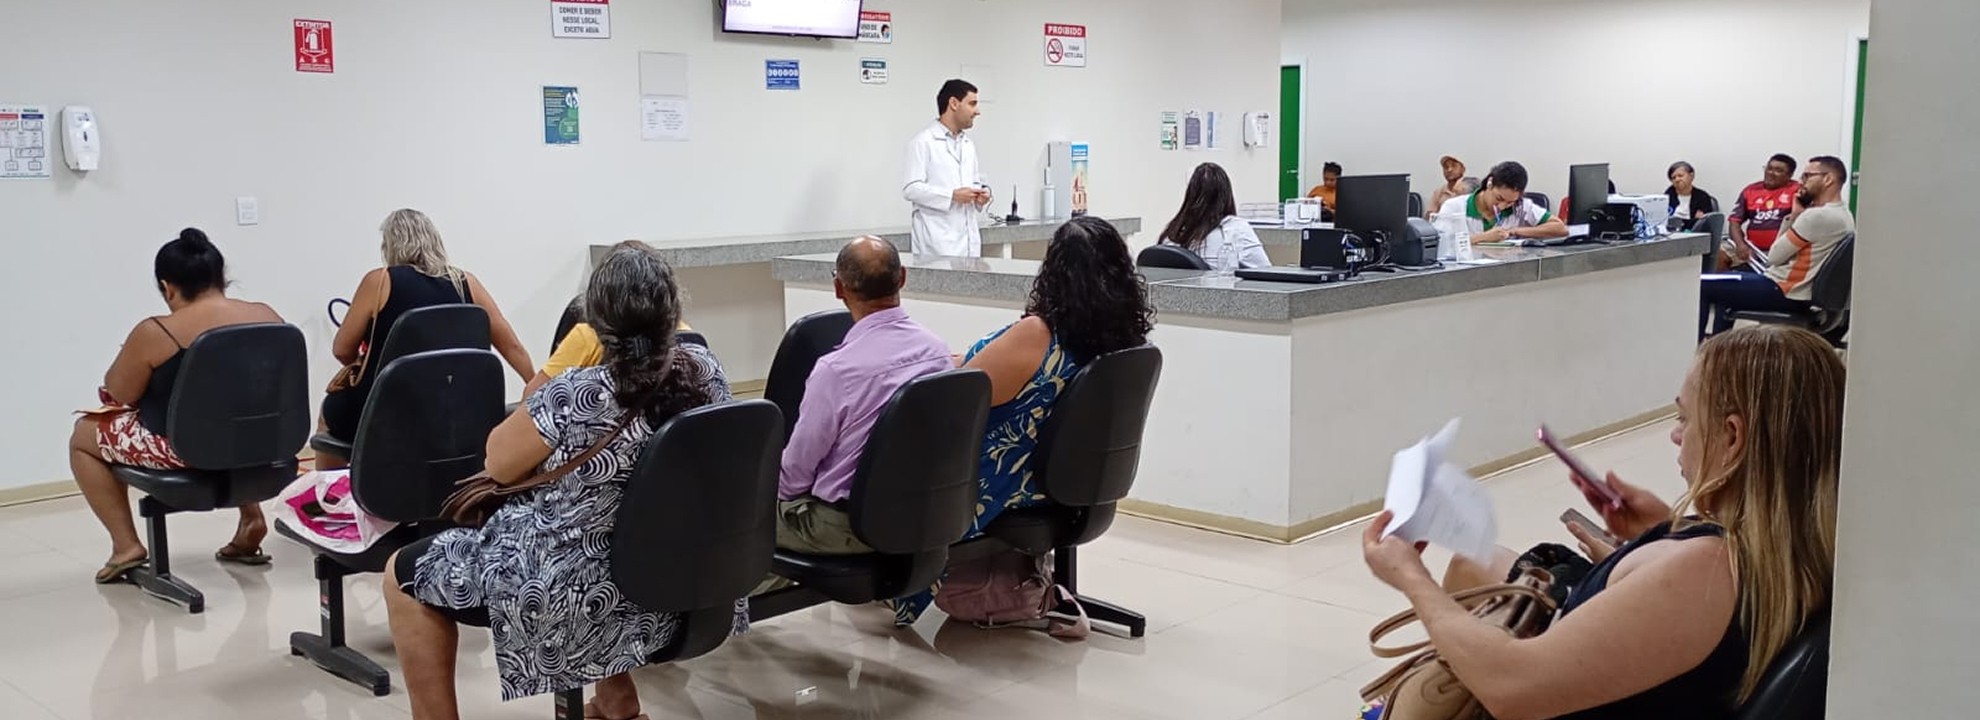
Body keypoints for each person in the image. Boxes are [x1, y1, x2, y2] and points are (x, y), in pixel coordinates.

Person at [1361, 323, 1841, 720]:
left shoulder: (1708, 570)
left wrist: (1411, 577)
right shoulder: (1804, 551)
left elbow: (1511, 687)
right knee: (1481, 566)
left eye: (1686, 419)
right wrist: (1660, 533)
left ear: (1732, 438)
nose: (1677, 436)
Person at [385, 243, 735, 720]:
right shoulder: (708, 375)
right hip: (686, 586)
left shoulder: (574, 394)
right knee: (601, 531)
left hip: (576, 602)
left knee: (402, 574)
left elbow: (498, 461)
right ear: (672, 312)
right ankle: (616, 700)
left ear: (596, 322)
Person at [890, 216, 1154, 626]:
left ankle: (891, 581)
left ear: (1054, 271)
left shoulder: (1039, 334)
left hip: (1008, 481)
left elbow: (968, 390)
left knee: (894, 458)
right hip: (1062, 480)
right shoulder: (1123, 341)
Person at [71, 229, 286, 583]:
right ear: (222, 278)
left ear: (167, 287)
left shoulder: (158, 331)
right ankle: (251, 519)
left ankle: (126, 546)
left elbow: (118, 392)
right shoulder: (268, 316)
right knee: (232, 415)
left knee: (83, 437)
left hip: (189, 449)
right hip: (264, 444)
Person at [773, 237, 952, 559]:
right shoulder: (937, 352)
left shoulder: (835, 371)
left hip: (845, 525)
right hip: (921, 514)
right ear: (903, 278)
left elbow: (795, 476)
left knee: (730, 522)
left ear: (839, 289)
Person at [320, 209, 533, 449]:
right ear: (434, 241)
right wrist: (534, 386)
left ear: (389, 246)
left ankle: (331, 485)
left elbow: (341, 349)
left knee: (329, 413)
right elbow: (511, 345)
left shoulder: (379, 281)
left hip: (388, 411)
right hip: (461, 411)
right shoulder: (466, 282)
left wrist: (362, 361)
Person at [1698, 156, 1855, 338]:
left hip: (1784, 290)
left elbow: (1774, 257)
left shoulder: (1816, 217)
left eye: (1807, 176)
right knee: (1723, 284)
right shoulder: (1845, 215)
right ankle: (1720, 348)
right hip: (1799, 293)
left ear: (1828, 179)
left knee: (1700, 283)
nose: (1802, 183)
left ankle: (1699, 350)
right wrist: (1797, 214)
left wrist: (1794, 216)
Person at [521, 242, 700, 400]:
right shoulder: (691, 342)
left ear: (596, 305)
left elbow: (530, 398)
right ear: (671, 301)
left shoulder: (586, 340)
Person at [903, 79, 990, 257]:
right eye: (972, 104)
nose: (977, 111)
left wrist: (981, 195)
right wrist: (952, 196)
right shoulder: (923, 142)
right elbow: (911, 189)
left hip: (968, 243)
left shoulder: (968, 145)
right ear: (953, 103)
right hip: (936, 244)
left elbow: (974, 181)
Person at [1159, 162, 1271, 271]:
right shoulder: (1236, 229)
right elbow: (1265, 273)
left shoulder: (1171, 234)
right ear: (1226, 195)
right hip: (1221, 289)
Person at [1435, 161, 1569, 242]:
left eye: (1510, 202)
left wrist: (1515, 231)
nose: (1502, 206)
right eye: (1499, 198)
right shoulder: (1454, 207)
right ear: (1490, 184)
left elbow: (1560, 228)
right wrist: (1483, 238)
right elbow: (1441, 243)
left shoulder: (1521, 207)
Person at [1725, 154, 1801, 269]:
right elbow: (1734, 222)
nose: (1771, 173)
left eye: (1778, 171)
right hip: (1752, 249)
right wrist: (1740, 245)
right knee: (1719, 256)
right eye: (1769, 168)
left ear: (1789, 175)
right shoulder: (1750, 190)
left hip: (1783, 251)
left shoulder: (1797, 190)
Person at [1665, 161, 1721, 231]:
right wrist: (1693, 220)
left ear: (1691, 176)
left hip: (1695, 235)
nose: (1677, 179)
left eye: (1680, 176)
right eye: (1673, 178)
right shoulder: (1666, 198)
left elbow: (1704, 224)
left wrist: (1683, 222)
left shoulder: (1702, 197)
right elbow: (1667, 223)